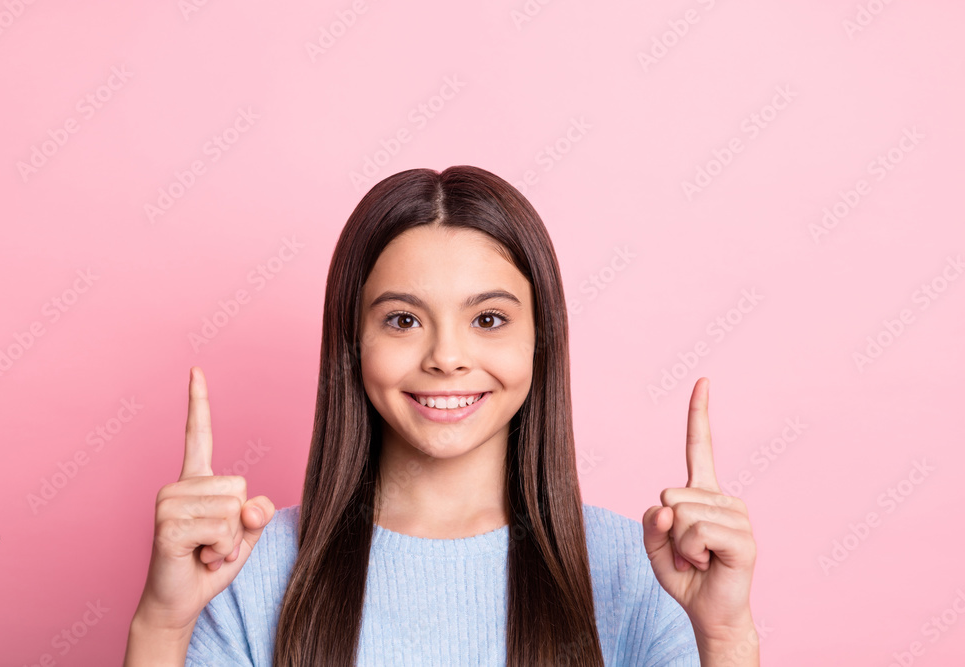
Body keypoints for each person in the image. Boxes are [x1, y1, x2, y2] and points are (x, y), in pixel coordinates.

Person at [124, 165, 758, 666]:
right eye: (403, 320)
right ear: (353, 342)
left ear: (540, 342)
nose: (447, 357)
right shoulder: (247, 570)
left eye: (488, 319)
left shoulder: (642, 568)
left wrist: (727, 637)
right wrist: (162, 622)